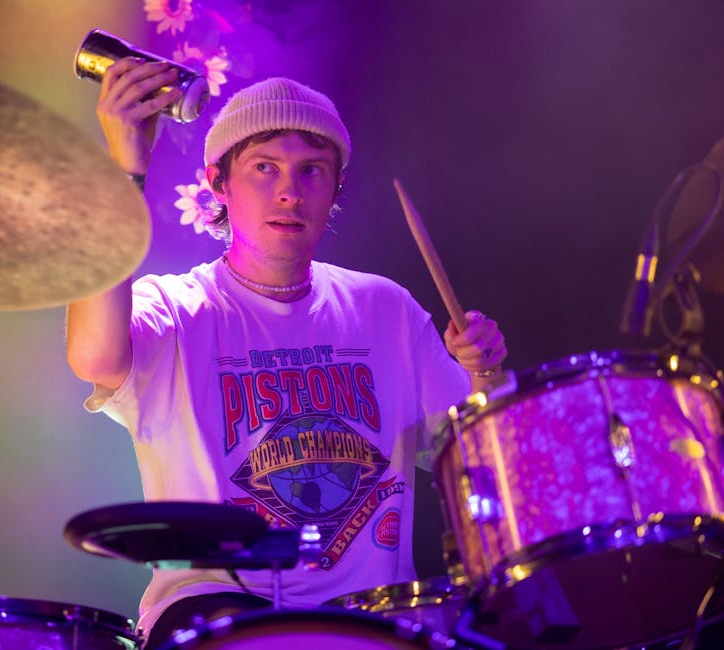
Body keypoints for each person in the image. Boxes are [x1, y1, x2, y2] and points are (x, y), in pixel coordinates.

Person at [66, 58, 507, 649]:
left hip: (368, 619)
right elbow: (94, 358)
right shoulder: (174, 307)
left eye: (311, 171)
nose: (289, 193)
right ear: (218, 183)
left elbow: (483, 463)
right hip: (211, 613)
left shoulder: (385, 308)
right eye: (264, 168)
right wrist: (121, 171)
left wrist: (485, 369)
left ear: (335, 189)